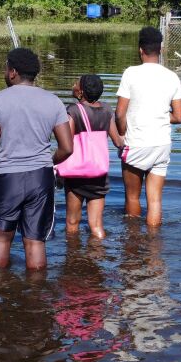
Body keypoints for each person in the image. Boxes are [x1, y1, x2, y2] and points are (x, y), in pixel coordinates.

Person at [0, 47, 73, 270]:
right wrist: (47, 160)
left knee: (1, 239)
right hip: (40, 178)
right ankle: (37, 297)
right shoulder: (53, 101)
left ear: (12, 72)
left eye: (5, 67)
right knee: (35, 241)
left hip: (6, 178)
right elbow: (67, 148)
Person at [115, 27, 181, 229]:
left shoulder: (131, 73)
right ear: (160, 50)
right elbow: (179, 117)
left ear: (140, 50)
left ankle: (133, 243)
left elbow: (120, 113)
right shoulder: (172, 77)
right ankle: (154, 250)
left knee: (132, 197)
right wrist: (159, 116)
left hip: (136, 143)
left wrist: (121, 133)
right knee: (155, 201)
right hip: (162, 144)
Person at [60, 74, 124, 239]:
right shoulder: (107, 110)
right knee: (96, 225)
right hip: (98, 174)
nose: (73, 85)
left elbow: (66, 144)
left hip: (76, 175)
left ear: (81, 91)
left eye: (76, 83)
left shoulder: (73, 110)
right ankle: (99, 255)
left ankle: (73, 260)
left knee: (72, 223)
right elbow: (118, 141)